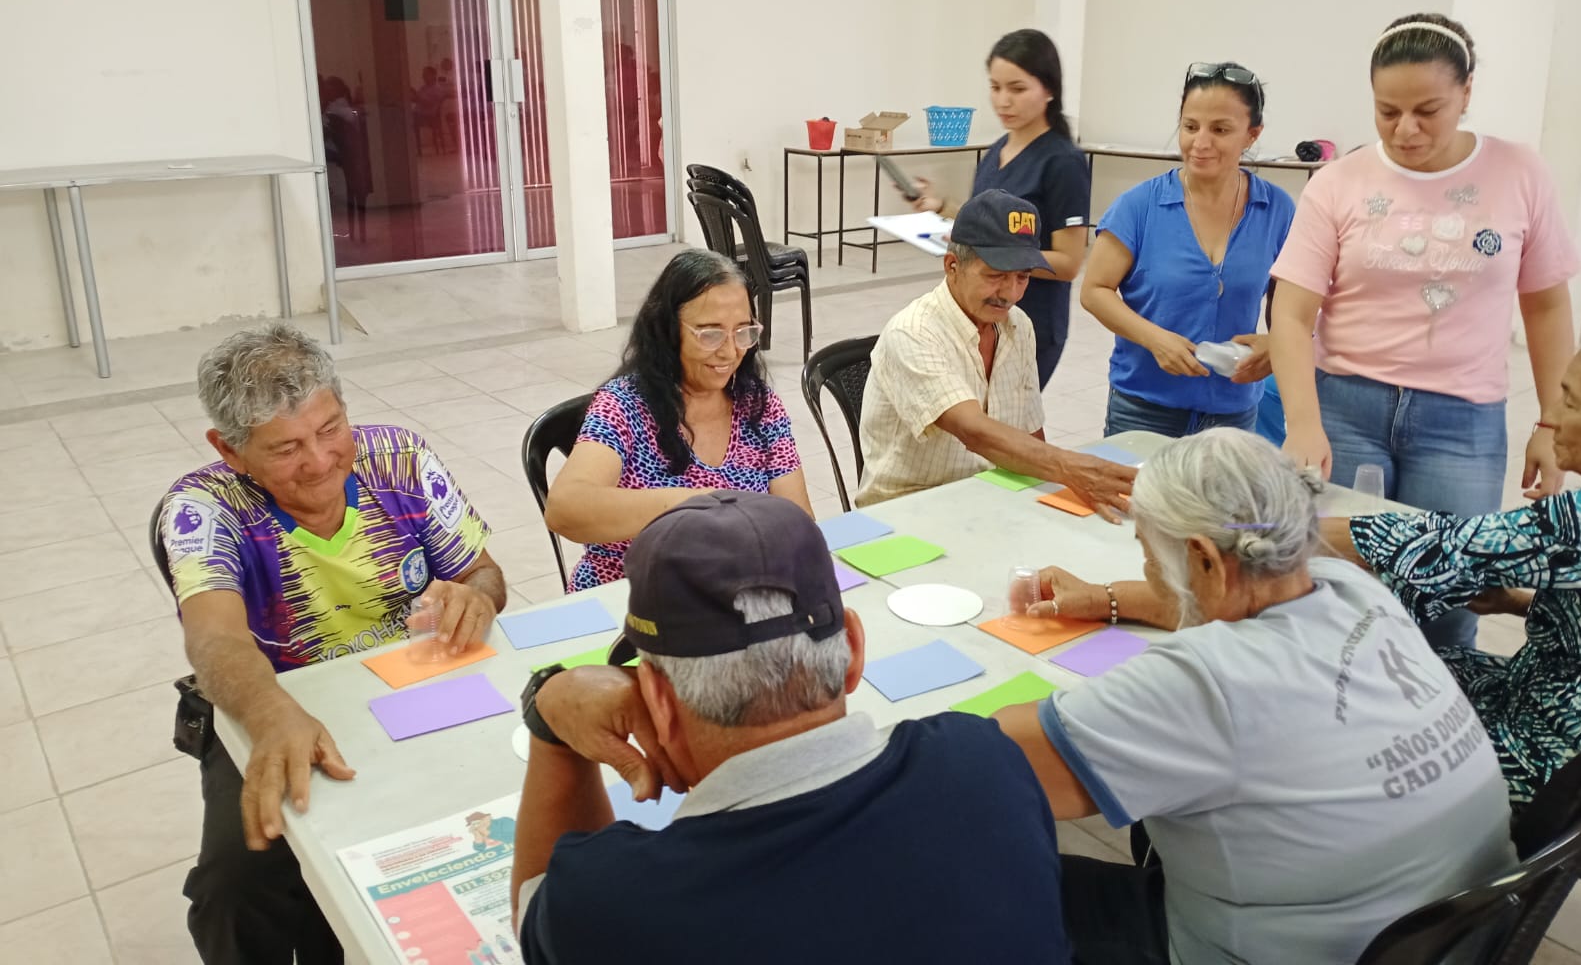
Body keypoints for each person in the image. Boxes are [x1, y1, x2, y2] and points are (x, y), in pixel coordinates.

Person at [993, 428, 1516, 964]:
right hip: (1453, 937)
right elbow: (1223, 599)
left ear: (1203, 560)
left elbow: (988, 769)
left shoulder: (1206, 681)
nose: (1149, 570)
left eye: (1148, 554)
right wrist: (1106, 599)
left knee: (970, 879)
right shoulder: (1354, 590)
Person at [510, 491, 1070, 964]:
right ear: (853, 649)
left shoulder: (612, 905)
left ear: (656, 697)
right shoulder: (986, 760)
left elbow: (534, 909)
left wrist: (550, 718)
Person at [161, 322, 507, 965]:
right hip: (274, 704)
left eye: (330, 429)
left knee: (495, 804)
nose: (320, 461)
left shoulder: (400, 457)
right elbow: (214, 641)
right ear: (230, 450)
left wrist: (476, 597)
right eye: (285, 448)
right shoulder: (204, 507)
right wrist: (271, 715)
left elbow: (483, 572)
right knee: (236, 887)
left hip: (412, 683)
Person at [1270, 13, 1580, 647]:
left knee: (1449, 601)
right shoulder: (1339, 182)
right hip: (1346, 411)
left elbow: (1547, 307)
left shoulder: (1519, 173)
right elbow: (1293, 314)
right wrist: (1302, 422)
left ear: (1466, 93)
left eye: (1427, 111)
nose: (1405, 130)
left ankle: (1440, 709)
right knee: (1329, 589)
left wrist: (1553, 423)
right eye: (1387, 111)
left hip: (1462, 424)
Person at [1318, 337, 1581, 807]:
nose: (1552, 416)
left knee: (1349, 705)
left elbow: (1442, 543)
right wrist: (1517, 601)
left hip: (1547, 752)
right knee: (1405, 666)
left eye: (1569, 402)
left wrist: (1283, 526)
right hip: (1549, 717)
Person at [545, 250, 812, 591]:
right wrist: (696, 505)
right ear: (669, 331)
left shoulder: (758, 406)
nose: (730, 352)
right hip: (630, 594)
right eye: (710, 334)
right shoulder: (624, 406)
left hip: (726, 594)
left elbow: (798, 521)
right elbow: (565, 508)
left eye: (743, 332)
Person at [856, 189, 1136, 514]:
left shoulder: (1018, 326)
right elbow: (973, 431)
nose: (1010, 294)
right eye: (995, 276)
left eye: (1023, 277)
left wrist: (1058, 493)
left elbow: (1031, 433)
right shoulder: (914, 332)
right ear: (952, 265)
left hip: (988, 494)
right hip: (906, 511)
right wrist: (1071, 467)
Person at [1080, 61, 1296, 436]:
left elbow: (1293, 304)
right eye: (1190, 126)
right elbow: (1094, 291)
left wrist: (1276, 344)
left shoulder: (1276, 209)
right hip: (1144, 407)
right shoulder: (1139, 206)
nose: (1201, 143)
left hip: (1232, 411)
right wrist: (1154, 339)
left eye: (1220, 130)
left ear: (1252, 134)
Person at [907, 29, 1091, 387]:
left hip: (1029, 322)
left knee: (1004, 418)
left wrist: (993, 257)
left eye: (1017, 89)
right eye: (995, 87)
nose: (1003, 101)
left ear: (1049, 90)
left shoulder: (1062, 161)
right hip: (979, 318)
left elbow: (1069, 263)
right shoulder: (998, 150)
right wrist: (942, 206)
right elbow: (989, 223)